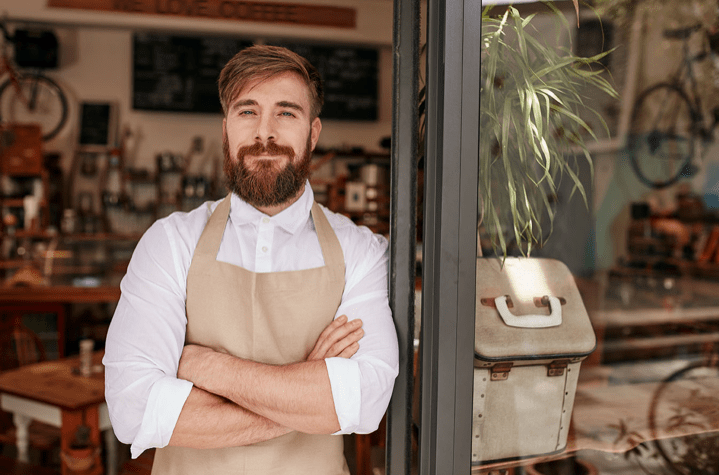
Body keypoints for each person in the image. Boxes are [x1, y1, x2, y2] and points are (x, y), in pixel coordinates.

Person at [103, 45, 399, 474]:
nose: (266, 133)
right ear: (226, 128)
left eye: (286, 113)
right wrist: (306, 389)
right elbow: (134, 409)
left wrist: (203, 365)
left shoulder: (362, 252)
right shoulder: (170, 243)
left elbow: (364, 402)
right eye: (247, 112)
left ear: (313, 133)